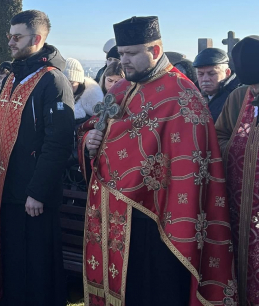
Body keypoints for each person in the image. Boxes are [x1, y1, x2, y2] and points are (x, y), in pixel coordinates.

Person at [79, 16, 235, 306]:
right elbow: (96, 129)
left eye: (132, 54)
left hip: (157, 217)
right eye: (121, 54)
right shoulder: (121, 89)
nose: (124, 61)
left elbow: (192, 164)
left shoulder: (183, 95)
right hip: (113, 212)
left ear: (154, 49)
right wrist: (89, 141)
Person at [0, 10, 75, 306]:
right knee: (12, 265)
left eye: (17, 36)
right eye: (9, 36)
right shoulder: (11, 77)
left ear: (36, 39)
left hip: (33, 198)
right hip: (6, 190)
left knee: (35, 269)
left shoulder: (53, 81)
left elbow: (58, 143)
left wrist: (37, 191)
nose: (10, 42)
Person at [215, 35, 259, 305]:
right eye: (252, 86)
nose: (255, 92)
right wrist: (237, 151)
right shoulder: (238, 96)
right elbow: (219, 134)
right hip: (237, 205)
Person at [193, 47, 241, 122]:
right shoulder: (191, 94)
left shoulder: (237, 96)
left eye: (211, 74)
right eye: (200, 74)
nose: (205, 79)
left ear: (227, 73)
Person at [63, 58, 104, 126]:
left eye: (71, 83)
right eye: (64, 82)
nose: (68, 86)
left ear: (79, 82)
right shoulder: (58, 95)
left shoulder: (92, 103)